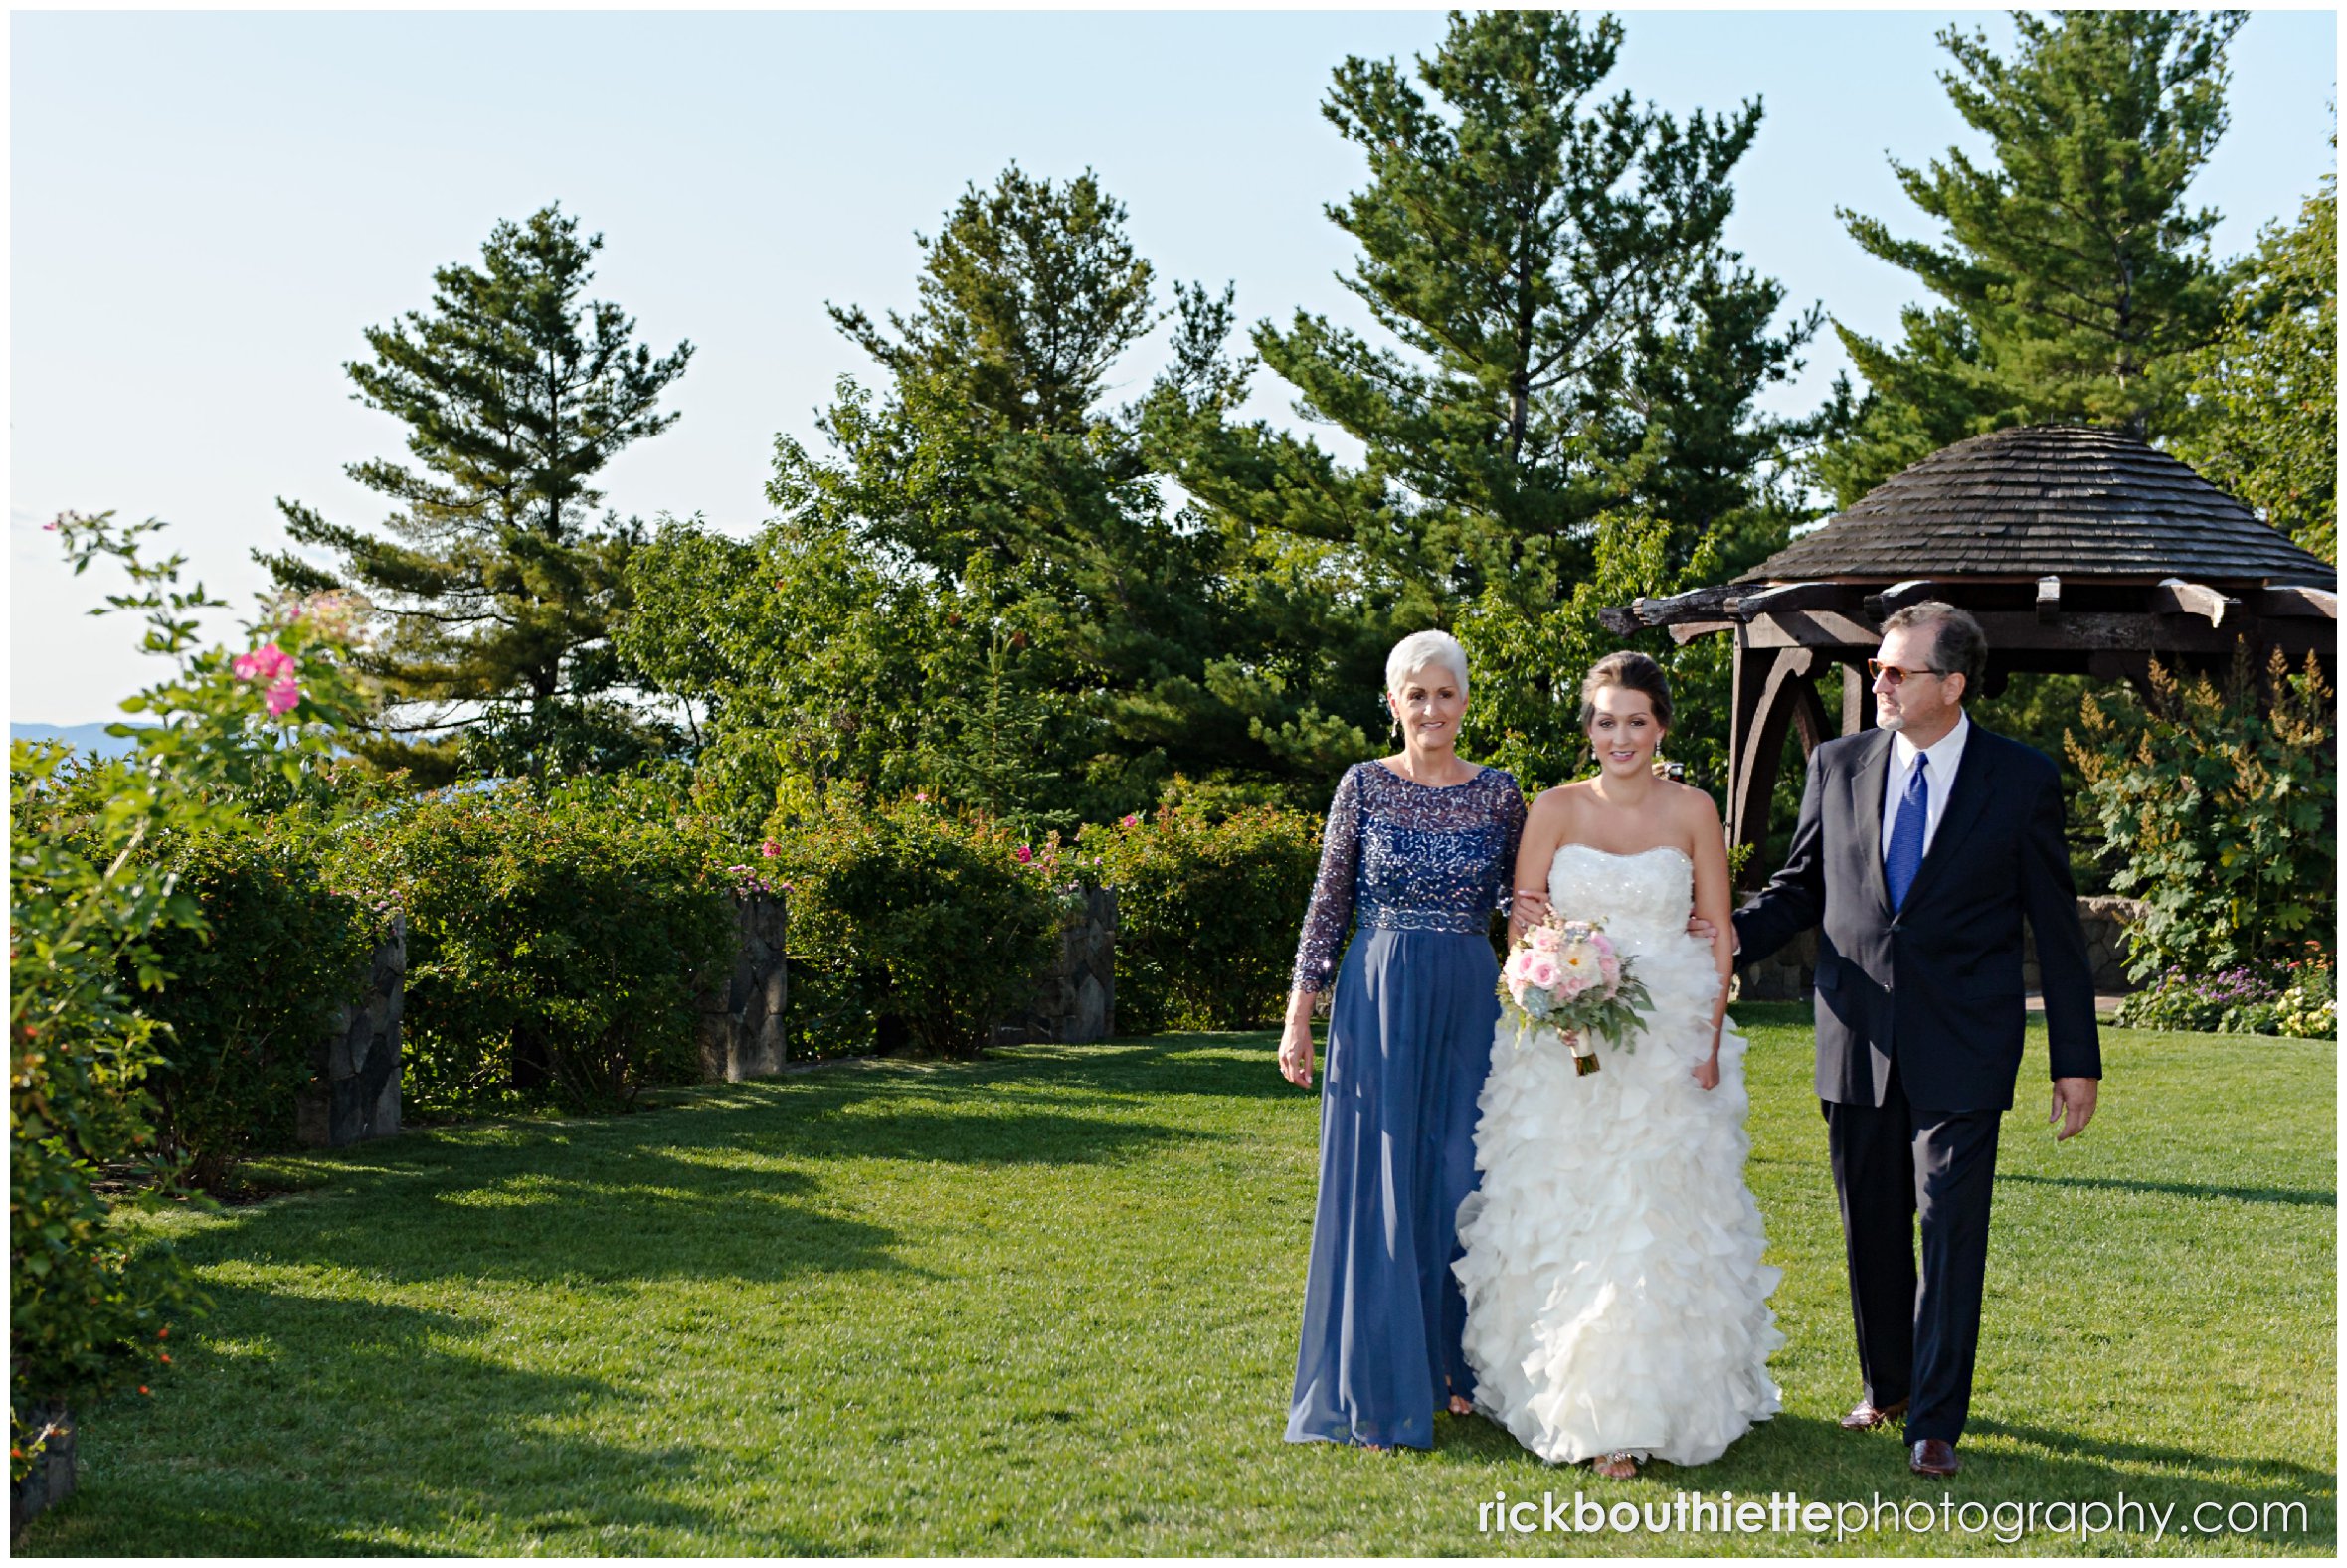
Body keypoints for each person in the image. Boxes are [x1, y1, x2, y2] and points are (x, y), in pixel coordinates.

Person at [1730, 602, 2101, 1479]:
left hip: (1965, 1043)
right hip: (1854, 1036)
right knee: (1871, 1228)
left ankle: (1934, 1420)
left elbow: (2054, 926)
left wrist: (2076, 1058)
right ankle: (1887, 1386)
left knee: (1948, 1225)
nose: (1879, 680)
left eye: (1898, 671)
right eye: (1879, 667)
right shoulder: (1838, 762)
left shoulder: (2020, 779)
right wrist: (1712, 932)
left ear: (1954, 684)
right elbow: (1797, 890)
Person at [1453, 651, 1782, 1478]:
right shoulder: (1555, 809)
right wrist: (1552, 991)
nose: (1620, 735)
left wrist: (1708, 1046)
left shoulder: (1696, 810)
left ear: (1661, 724)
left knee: (1655, 1218)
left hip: (1668, 1043)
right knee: (1569, 1213)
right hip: (1568, 1052)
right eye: (1606, 720)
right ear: (1590, 728)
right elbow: (1525, 930)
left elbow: (1719, 930)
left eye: (1636, 719)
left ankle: (1646, 1408)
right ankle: (1571, 1396)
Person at [1279, 630, 1527, 1452]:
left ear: (1465, 702)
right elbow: (1328, 903)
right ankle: (1381, 1382)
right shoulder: (1362, 786)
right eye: (1414, 694)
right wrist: (1298, 1013)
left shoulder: (1499, 794)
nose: (1431, 709)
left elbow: (1528, 901)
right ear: (1393, 703)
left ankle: (1454, 1367)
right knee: (1381, 1181)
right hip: (1376, 996)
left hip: (1464, 995)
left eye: (1445, 693)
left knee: (1460, 1172)